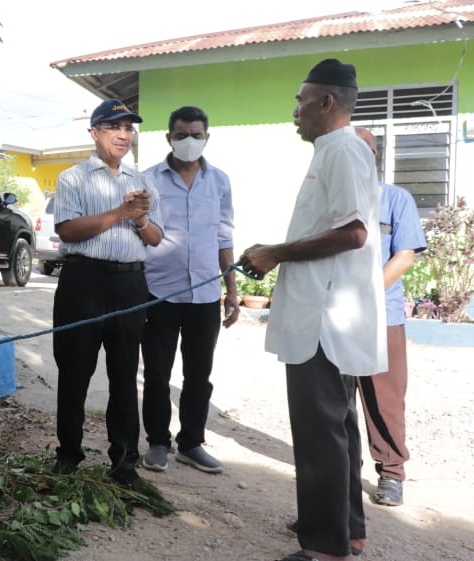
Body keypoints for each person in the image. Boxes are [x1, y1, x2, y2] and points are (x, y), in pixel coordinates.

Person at [240, 59, 386, 561]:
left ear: (326, 102)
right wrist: (273, 252)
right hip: (330, 317)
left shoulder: (343, 149)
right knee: (337, 427)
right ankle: (346, 529)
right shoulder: (335, 150)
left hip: (324, 321)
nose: (294, 110)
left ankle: (326, 548)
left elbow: (353, 233)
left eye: (301, 100)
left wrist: (275, 252)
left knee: (320, 432)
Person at [50, 98, 163, 486]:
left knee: (124, 373)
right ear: (95, 132)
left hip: (130, 284)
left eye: (129, 128)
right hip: (84, 282)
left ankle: (124, 461)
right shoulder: (73, 178)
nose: (123, 135)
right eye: (115, 127)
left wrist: (141, 217)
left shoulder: (141, 182)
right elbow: (67, 231)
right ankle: (68, 455)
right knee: (75, 372)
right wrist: (119, 213)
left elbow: (155, 238)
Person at [139, 105, 239, 475]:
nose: (189, 141)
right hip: (159, 293)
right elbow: (140, 232)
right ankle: (158, 443)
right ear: (169, 138)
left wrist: (231, 289)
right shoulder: (148, 179)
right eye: (181, 135)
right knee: (157, 373)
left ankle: (192, 442)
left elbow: (224, 235)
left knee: (199, 374)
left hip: (204, 295)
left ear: (206, 138)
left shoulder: (220, 182)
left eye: (196, 135)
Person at [354, 126, 427, 507]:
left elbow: (405, 255)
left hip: (381, 316)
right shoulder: (331, 199)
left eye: (362, 148)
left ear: (374, 154)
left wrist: (364, 293)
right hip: (337, 320)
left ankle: (392, 472)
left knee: (385, 398)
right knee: (336, 401)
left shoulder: (395, 198)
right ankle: (344, 472)